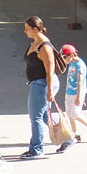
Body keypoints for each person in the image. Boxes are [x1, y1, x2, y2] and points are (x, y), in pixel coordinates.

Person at [22, 16, 61, 159]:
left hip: (42, 85)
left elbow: (50, 70)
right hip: (37, 84)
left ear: (35, 29)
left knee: (35, 117)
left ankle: (36, 149)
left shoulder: (44, 46)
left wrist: (50, 91)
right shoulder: (35, 43)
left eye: (27, 28)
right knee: (44, 116)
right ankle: (68, 138)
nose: (25, 31)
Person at [57, 44, 87, 152]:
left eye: (64, 57)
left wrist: (79, 97)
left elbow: (80, 81)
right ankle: (75, 134)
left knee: (75, 113)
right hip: (69, 92)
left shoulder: (80, 65)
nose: (64, 60)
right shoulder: (72, 63)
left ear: (72, 55)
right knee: (69, 113)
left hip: (77, 93)